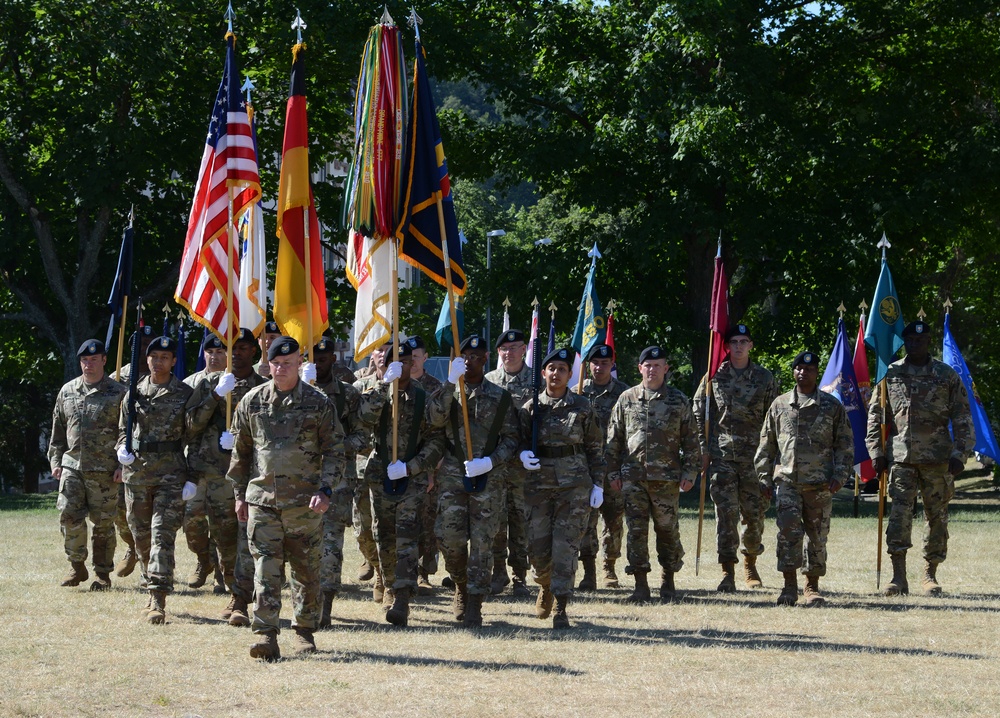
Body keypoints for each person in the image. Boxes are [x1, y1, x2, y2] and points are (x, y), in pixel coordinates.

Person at [228, 336, 345, 660]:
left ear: (299, 364)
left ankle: (305, 630)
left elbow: (336, 451)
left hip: (305, 506)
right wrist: (240, 495)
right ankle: (266, 634)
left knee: (305, 571)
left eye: (288, 364)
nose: (280, 369)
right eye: (275, 364)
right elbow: (241, 454)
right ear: (268, 363)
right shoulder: (252, 402)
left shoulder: (318, 403)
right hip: (263, 502)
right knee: (265, 569)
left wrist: (325, 490)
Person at [866, 320, 974, 596]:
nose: (915, 344)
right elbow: (876, 417)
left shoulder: (945, 374)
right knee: (899, 517)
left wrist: (960, 453)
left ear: (928, 341)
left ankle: (930, 574)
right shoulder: (891, 374)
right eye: (910, 341)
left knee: (936, 517)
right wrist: (876, 452)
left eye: (921, 340)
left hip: (938, 459)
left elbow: (962, 415)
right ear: (905, 342)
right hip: (901, 459)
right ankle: (898, 576)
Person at [429, 336, 519, 627]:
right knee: (449, 538)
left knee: (482, 543)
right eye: (465, 356)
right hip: (454, 473)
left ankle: (475, 602)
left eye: (477, 357)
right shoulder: (450, 391)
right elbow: (435, 420)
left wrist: (490, 461)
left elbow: (511, 439)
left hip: (488, 476)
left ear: (486, 359)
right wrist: (448, 384)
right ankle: (460, 585)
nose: (471, 362)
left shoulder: (500, 396)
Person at [355, 340, 445, 626]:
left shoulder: (423, 397)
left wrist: (413, 466)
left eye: (406, 361)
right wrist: (384, 385)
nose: (402, 366)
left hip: (412, 476)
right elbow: (363, 420)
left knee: (407, 535)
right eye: (394, 361)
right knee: (384, 536)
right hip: (380, 474)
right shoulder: (376, 393)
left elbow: (436, 439)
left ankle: (402, 596)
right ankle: (390, 584)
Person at [756, 351, 853, 606]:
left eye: (809, 369)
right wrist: (764, 478)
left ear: (816, 373)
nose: (803, 372)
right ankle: (789, 587)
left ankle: (811, 587)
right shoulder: (779, 405)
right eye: (799, 368)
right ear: (793, 372)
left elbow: (845, 445)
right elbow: (766, 444)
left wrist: (840, 476)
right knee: (788, 533)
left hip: (820, 484)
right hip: (787, 483)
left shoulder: (832, 406)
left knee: (817, 536)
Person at [518, 347, 606, 629]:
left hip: (574, 486)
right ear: (543, 373)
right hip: (538, 487)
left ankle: (562, 607)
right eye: (551, 368)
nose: (556, 374)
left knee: (566, 547)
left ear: (570, 375)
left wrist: (598, 485)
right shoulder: (531, 407)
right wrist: (522, 455)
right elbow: (516, 441)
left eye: (562, 369)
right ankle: (545, 584)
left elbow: (595, 448)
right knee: (538, 549)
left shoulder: (582, 407)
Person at [606, 345, 701, 603]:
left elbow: (692, 441)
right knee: (636, 531)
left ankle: (668, 580)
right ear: (640, 368)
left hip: (667, 479)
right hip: (633, 479)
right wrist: (613, 472)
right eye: (648, 365)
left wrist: (690, 473)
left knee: (667, 530)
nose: (652, 369)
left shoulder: (678, 400)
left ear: (666, 368)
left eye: (658, 365)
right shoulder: (626, 399)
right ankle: (640, 584)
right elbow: (614, 440)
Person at [185, 328, 267, 626]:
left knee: (247, 538)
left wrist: (242, 439)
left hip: (252, 476)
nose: (238, 353)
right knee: (224, 538)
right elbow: (191, 426)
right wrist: (215, 395)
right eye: (233, 348)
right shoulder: (208, 383)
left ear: (254, 352)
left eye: (245, 348)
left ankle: (240, 598)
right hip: (215, 473)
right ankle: (230, 586)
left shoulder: (265, 386)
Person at [693, 324, 779, 592]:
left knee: (754, 516)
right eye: (734, 342)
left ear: (751, 345)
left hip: (756, 459)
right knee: (725, 516)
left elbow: (775, 419)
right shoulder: (713, 376)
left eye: (744, 341)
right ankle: (727, 570)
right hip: (722, 458)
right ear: (727, 346)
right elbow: (698, 414)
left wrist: (773, 458)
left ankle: (750, 563)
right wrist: (702, 449)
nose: (739, 346)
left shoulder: (765, 378)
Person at [116, 336, 195, 624]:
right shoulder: (133, 393)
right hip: (137, 473)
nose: (158, 361)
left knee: (163, 534)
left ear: (173, 361)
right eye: (154, 356)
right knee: (141, 536)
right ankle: (149, 579)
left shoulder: (185, 394)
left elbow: (193, 437)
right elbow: (122, 430)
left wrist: (193, 477)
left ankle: (157, 598)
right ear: (147, 360)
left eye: (165, 356)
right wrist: (121, 449)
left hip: (171, 474)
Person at [49, 340, 127, 590]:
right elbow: (57, 432)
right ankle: (76, 566)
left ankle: (102, 574)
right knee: (68, 516)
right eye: (84, 360)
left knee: (103, 524)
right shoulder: (68, 390)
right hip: (72, 466)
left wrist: (122, 465)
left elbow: (129, 432)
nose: (88, 364)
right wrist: (55, 461)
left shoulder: (119, 392)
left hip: (105, 470)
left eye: (94, 360)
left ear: (104, 360)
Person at [311, 336, 365, 627]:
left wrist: (335, 446)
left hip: (337, 480)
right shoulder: (294, 392)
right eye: (313, 358)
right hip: (298, 480)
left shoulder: (348, 395)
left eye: (323, 358)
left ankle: (325, 604)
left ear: (334, 359)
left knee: (330, 542)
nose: (318, 364)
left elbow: (362, 435)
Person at [484, 329, 533, 597]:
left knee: (521, 521)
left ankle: (520, 576)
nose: (509, 353)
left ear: (524, 349)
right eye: (504, 348)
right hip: (494, 464)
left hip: (523, 466)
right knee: (495, 520)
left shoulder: (536, 381)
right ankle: (498, 572)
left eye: (514, 348)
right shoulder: (489, 380)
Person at [577, 343, 630, 590]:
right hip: (585, 468)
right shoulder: (578, 391)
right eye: (595, 363)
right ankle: (589, 571)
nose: (599, 367)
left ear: (612, 365)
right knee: (586, 520)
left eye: (605, 363)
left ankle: (609, 567)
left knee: (613, 519)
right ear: (588, 365)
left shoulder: (624, 393)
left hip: (613, 467)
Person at [181, 332, 229, 590]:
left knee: (224, 525)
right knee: (192, 523)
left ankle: (223, 573)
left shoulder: (240, 382)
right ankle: (204, 560)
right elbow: (189, 426)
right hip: (197, 468)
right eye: (211, 352)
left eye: (221, 351)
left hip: (227, 470)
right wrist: (215, 396)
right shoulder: (191, 384)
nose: (215, 356)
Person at [111, 324, 155, 578]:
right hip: (125, 453)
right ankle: (131, 547)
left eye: (149, 342)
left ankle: (148, 564)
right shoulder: (119, 376)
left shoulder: (162, 375)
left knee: (149, 511)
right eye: (140, 342)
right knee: (121, 509)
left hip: (156, 456)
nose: (145, 347)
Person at [405, 335, 444, 595]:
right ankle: (401, 573)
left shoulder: (435, 387)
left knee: (429, 521)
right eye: (409, 358)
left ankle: (425, 572)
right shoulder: (398, 385)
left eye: (417, 357)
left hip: (429, 464)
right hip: (401, 464)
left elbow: (440, 431)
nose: (413, 362)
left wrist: (431, 468)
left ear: (425, 358)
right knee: (406, 522)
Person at [352, 343, 389, 597]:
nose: (383, 354)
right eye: (379, 349)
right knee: (363, 529)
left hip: (394, 469)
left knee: (386, 528)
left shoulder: (408, 387)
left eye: (390, 349)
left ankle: (387, 579)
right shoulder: (358, 388)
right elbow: (360, 420)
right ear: (371, 354)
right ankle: (376, 566)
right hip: (363, 468)